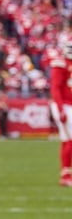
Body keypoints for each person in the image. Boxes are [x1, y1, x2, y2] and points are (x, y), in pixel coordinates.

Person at [48, 31, 72, 186]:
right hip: (63, 105)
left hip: (68, 105)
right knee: (69, 141)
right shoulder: (60, 64)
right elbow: (55, 88)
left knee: (67, 141)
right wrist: (60, 108)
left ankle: (66, 173)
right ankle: (65, 175)